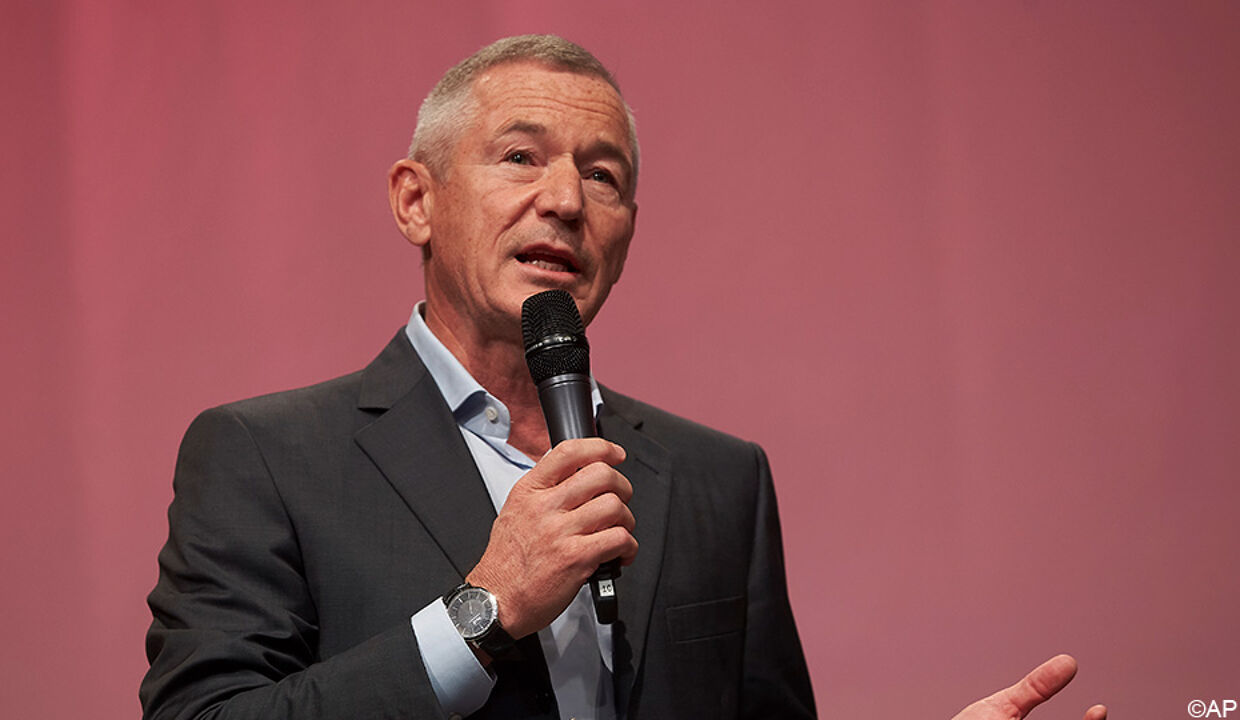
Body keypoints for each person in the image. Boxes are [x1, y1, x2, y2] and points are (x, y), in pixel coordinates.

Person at [140, 35, 1107, 720]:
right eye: (520, 156)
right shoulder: (266, 457)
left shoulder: (719, 479)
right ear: (415, 201)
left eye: (603, 176)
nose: (565, 199)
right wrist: (482, 612)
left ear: (629, 230)